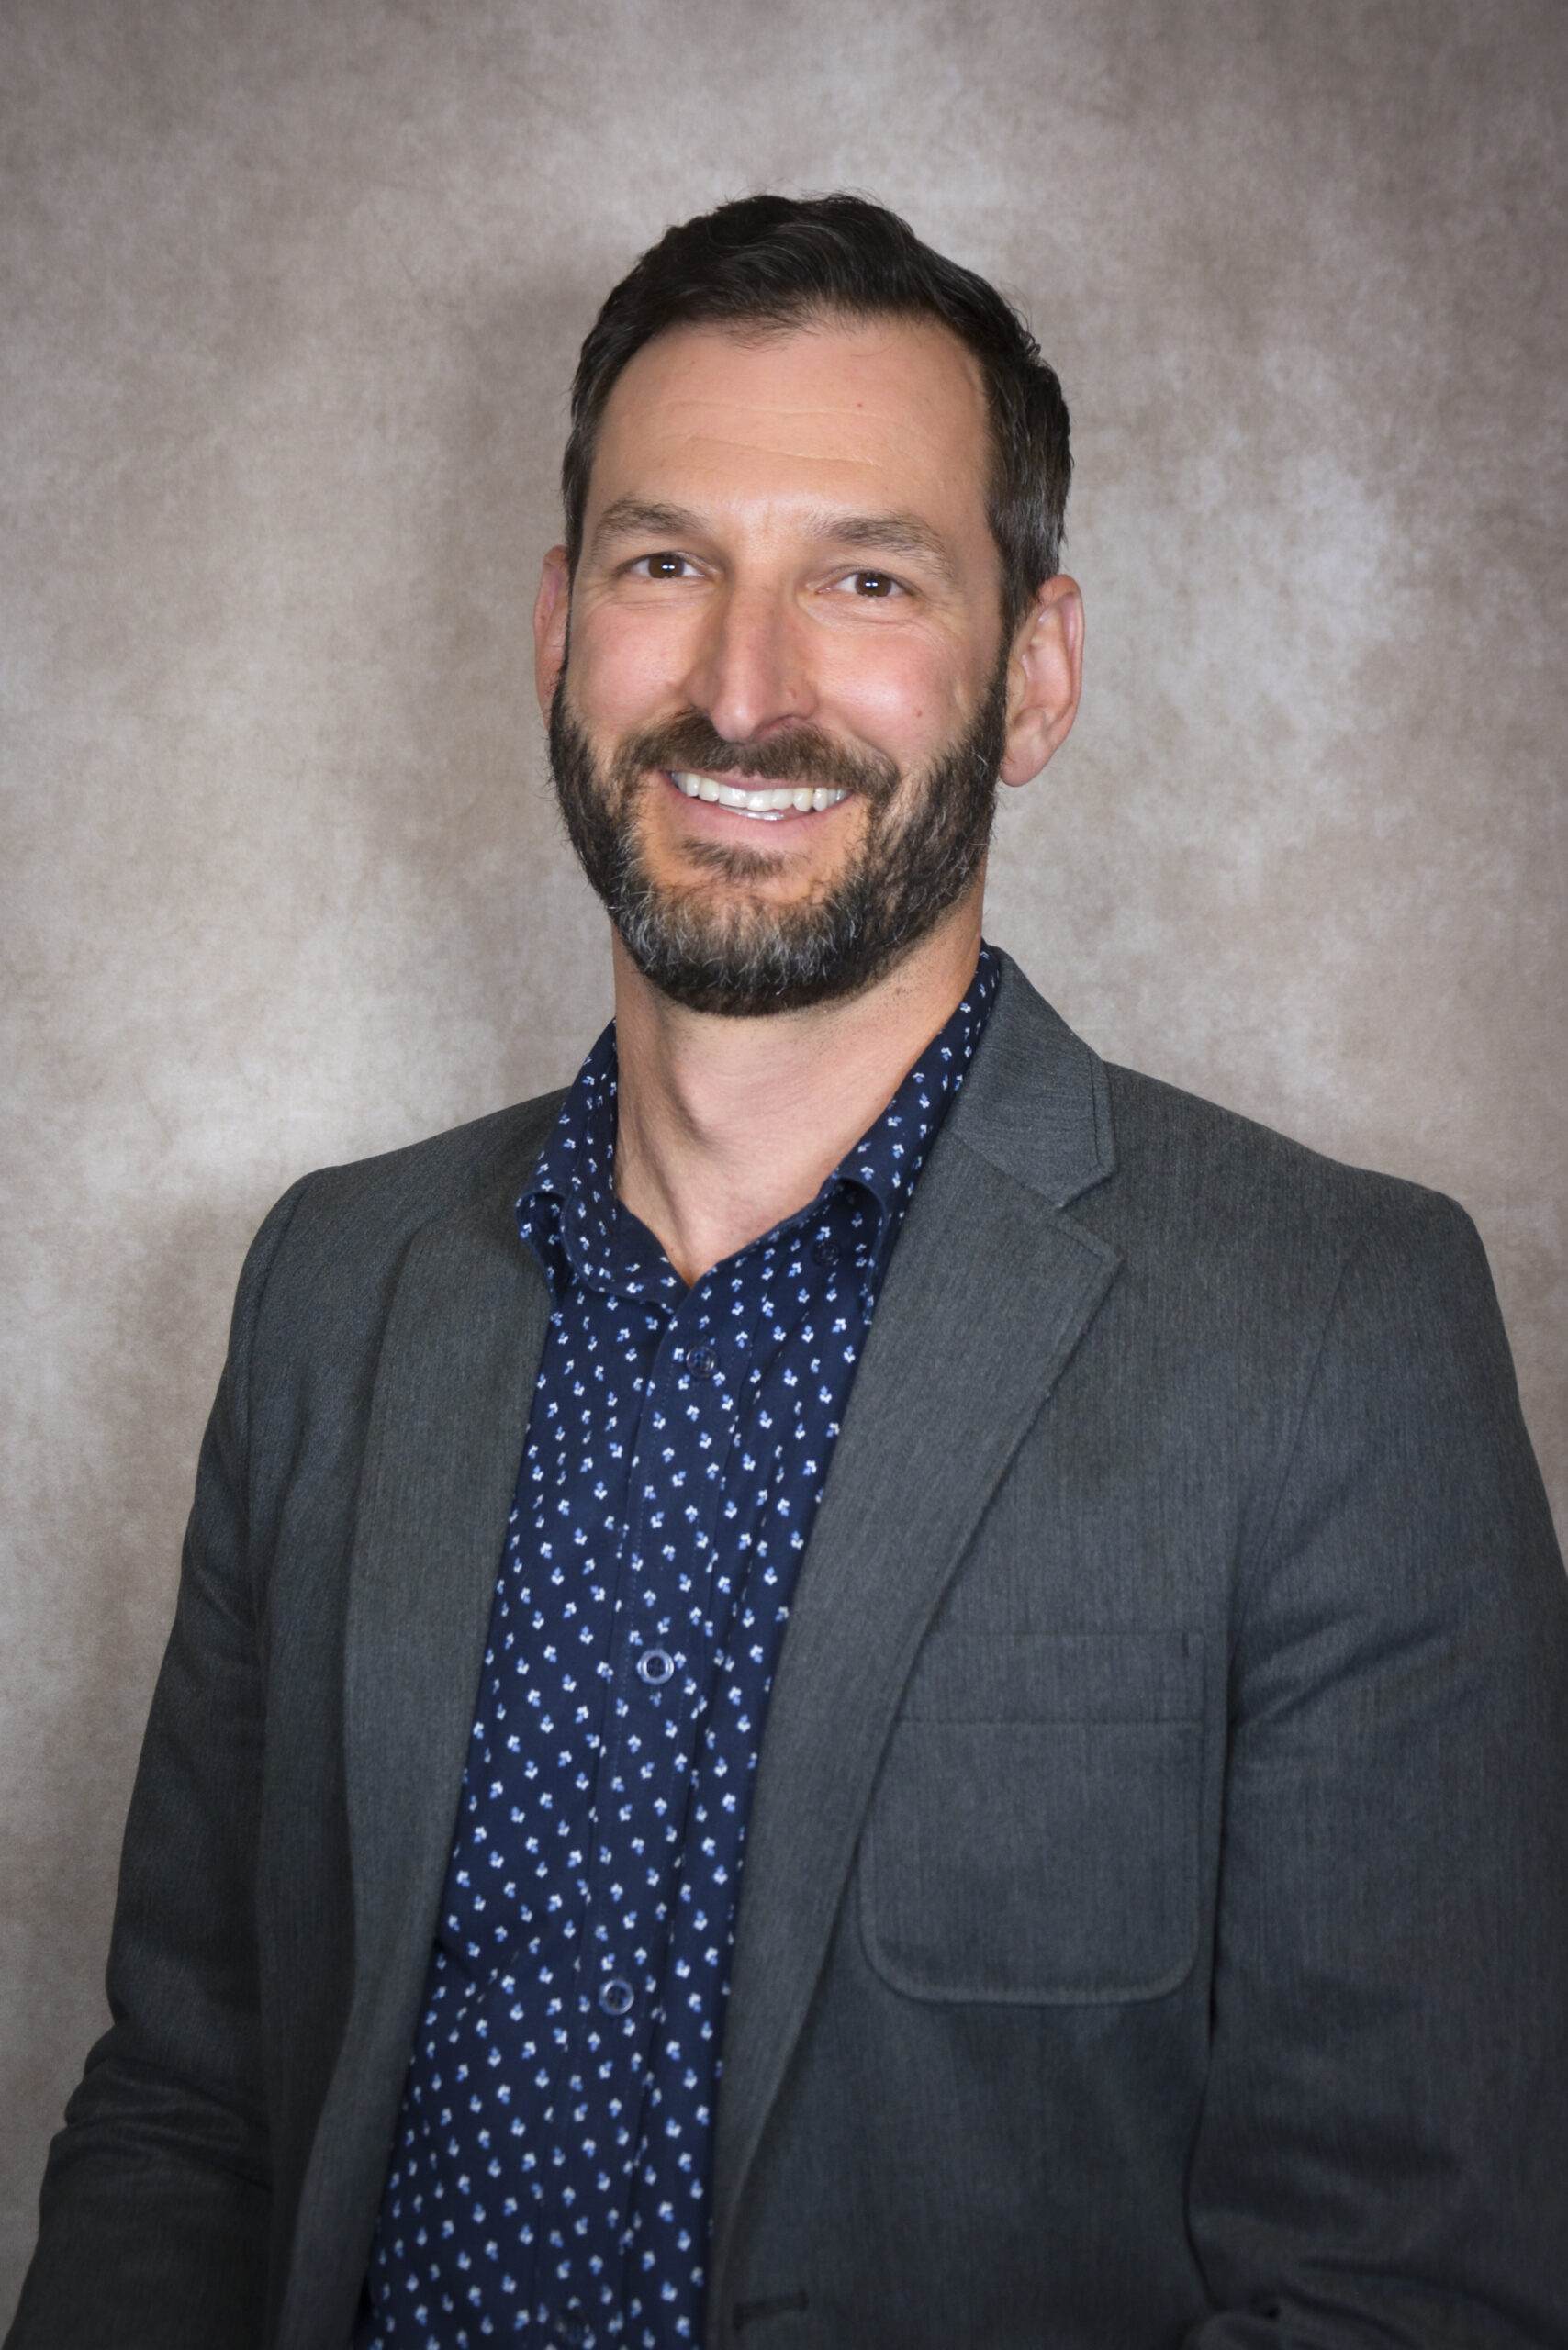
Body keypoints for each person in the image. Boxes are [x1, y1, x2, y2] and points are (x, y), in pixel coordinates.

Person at [8, 192, 1567, 2350]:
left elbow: (1404, 2285)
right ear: (556, 628)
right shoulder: (331, 1289)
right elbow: (193, 2103)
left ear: (1031, 674)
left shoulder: (1330, 1335)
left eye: (864, 577)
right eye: (665, 564)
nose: (742, 690)